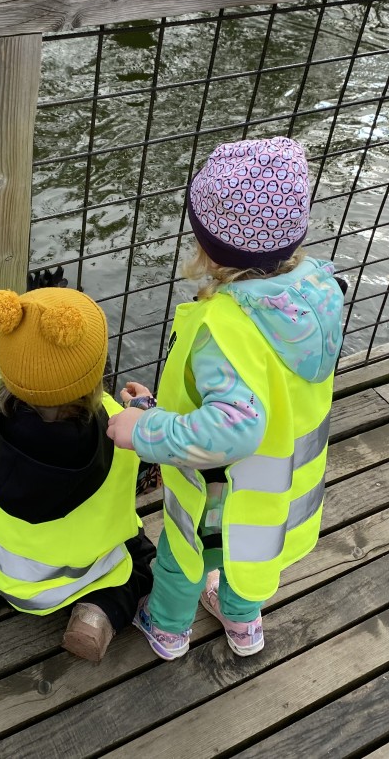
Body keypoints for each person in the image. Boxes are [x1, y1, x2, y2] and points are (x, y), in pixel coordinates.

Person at [107, 136, 344, 660]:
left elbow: (233, 426)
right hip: (277, 490)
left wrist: (144, 429)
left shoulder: (225, 326)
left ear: (210, 244)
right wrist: (157, 405)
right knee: (253, 557)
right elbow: (256, 392)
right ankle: (242, 624)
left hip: (220, 489)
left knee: (183, 553)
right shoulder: (316, 294)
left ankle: (167, 629)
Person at [0, 286, 155, 662]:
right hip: (84, 572)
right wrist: (146, 413)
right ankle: (97, 614)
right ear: (96, 373)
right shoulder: (122, 432)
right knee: (139, 558)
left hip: (1, 562)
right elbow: (152, 475)